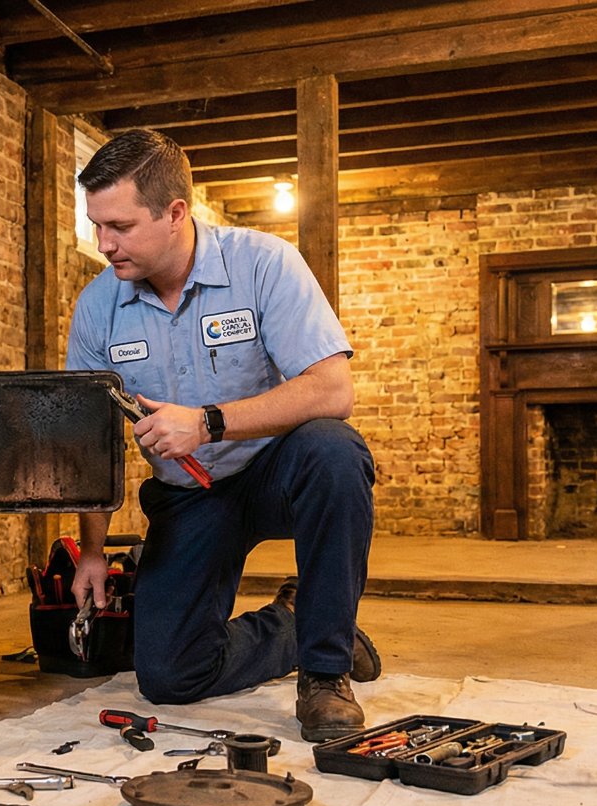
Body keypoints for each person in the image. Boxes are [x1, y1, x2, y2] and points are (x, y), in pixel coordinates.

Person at [64, 129, 380, 742]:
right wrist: (94, 551)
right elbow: (85, 439)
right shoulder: (97, 306)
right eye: (96, 225)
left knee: (335, 452)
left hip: (274, 473)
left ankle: (324, 670)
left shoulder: (263, 262)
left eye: (120, 227)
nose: (104, 244)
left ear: (176, 212)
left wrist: (207, 421)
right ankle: (292, 625)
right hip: (190, 495)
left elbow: (333, 390)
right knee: (169, 676)